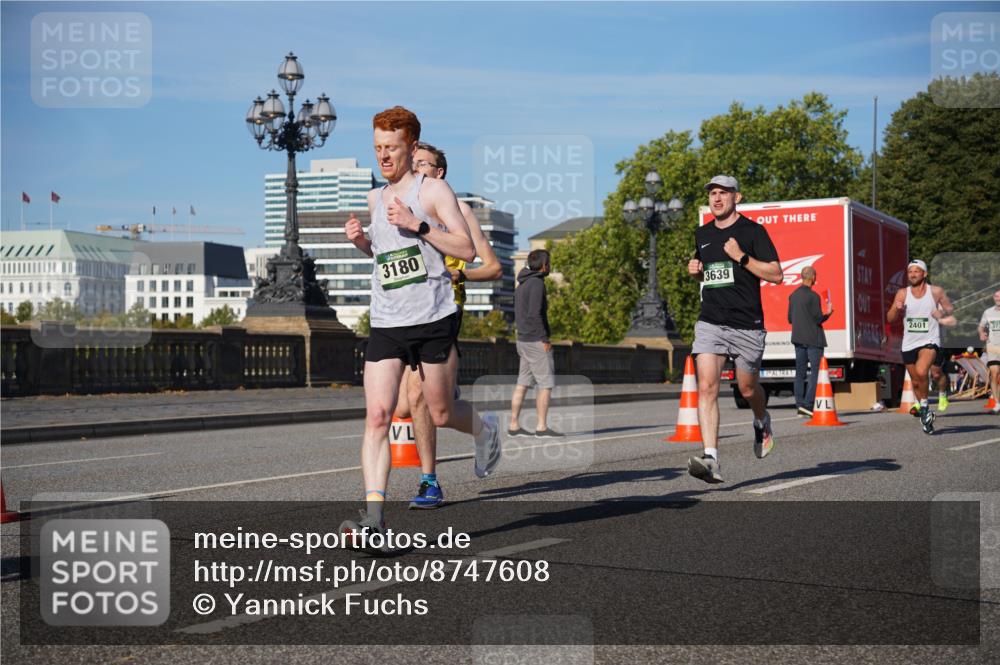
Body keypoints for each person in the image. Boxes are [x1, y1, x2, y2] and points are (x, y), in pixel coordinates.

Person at [341, 106, 501, 540]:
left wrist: (419, 224)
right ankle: (374, 520)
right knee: (378, 415)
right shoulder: (376, 198)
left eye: (391, 148)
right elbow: (384, 256)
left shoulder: (434, 191)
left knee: (440, 410)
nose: (383, 156)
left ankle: (485, 428)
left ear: (412, 148)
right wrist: (361, 243)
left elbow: (466, 250)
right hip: (388, 322)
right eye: (377, 148)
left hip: (433, 318)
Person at [393, 141, 502, 509]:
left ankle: (429, 482)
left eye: (424, 164)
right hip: (405, 314)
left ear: (439, 173)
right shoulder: (399, 206)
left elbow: (493, 266)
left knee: (425, 403)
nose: (417, 168)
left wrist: (463, 277)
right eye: (414, 162)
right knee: (409, 407)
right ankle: (476, 423)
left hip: (443, 312)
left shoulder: (457, 210)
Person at [686, 175, 783, 484]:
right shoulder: (702, 233)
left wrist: (741, 256)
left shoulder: (753, 232)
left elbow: (776, 275)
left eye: (723, 193)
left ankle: (761, 419)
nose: (717, 198)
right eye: (713, 193)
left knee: (747, 389)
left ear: (736, 197)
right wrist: (696, 272)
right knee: (707, 387)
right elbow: (711, 276)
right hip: (711, 321)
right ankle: (711, 458)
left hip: (747, 326)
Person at [886, 259, 955, 435]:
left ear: (924, 274)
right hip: (909, 342)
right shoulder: (902, 293)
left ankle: (926, 406)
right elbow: (890, 318)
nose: (913, 275)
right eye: (910, 272)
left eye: (917, 271)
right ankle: (925, 412)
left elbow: (950, 309)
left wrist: (941, 312)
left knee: (922, 371)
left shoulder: (936, 291)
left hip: (930, 340)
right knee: (916, 380)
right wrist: (897, 309)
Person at [509, 249, 563, 438]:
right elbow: (534, 313)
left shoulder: (522, 284)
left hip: (522, 339)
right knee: (545, 384)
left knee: (522, 382)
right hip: (535, 340)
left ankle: (514, 424)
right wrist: (544, 339)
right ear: (543, 266)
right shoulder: (537, 283)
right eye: (548, 263)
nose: (549, 267)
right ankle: (541, 427)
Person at [787, 265, 833, 417]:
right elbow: (818, 318)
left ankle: (800, 405)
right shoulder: (814, 297)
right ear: (813, 277)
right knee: (816, 373)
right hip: (814, 340)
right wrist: (828, 313)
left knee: (800, 373)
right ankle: (807, 405)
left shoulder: (793, 295)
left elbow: (790, 319)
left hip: (798, 339)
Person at [979, 289, 1000, 415]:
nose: (998, 298)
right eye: (996, 296)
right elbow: (981, 326)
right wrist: (982, 333)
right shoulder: (988, 312)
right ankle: (997, 404)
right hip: (992, 346)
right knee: (994, 373)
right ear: (993, 298)